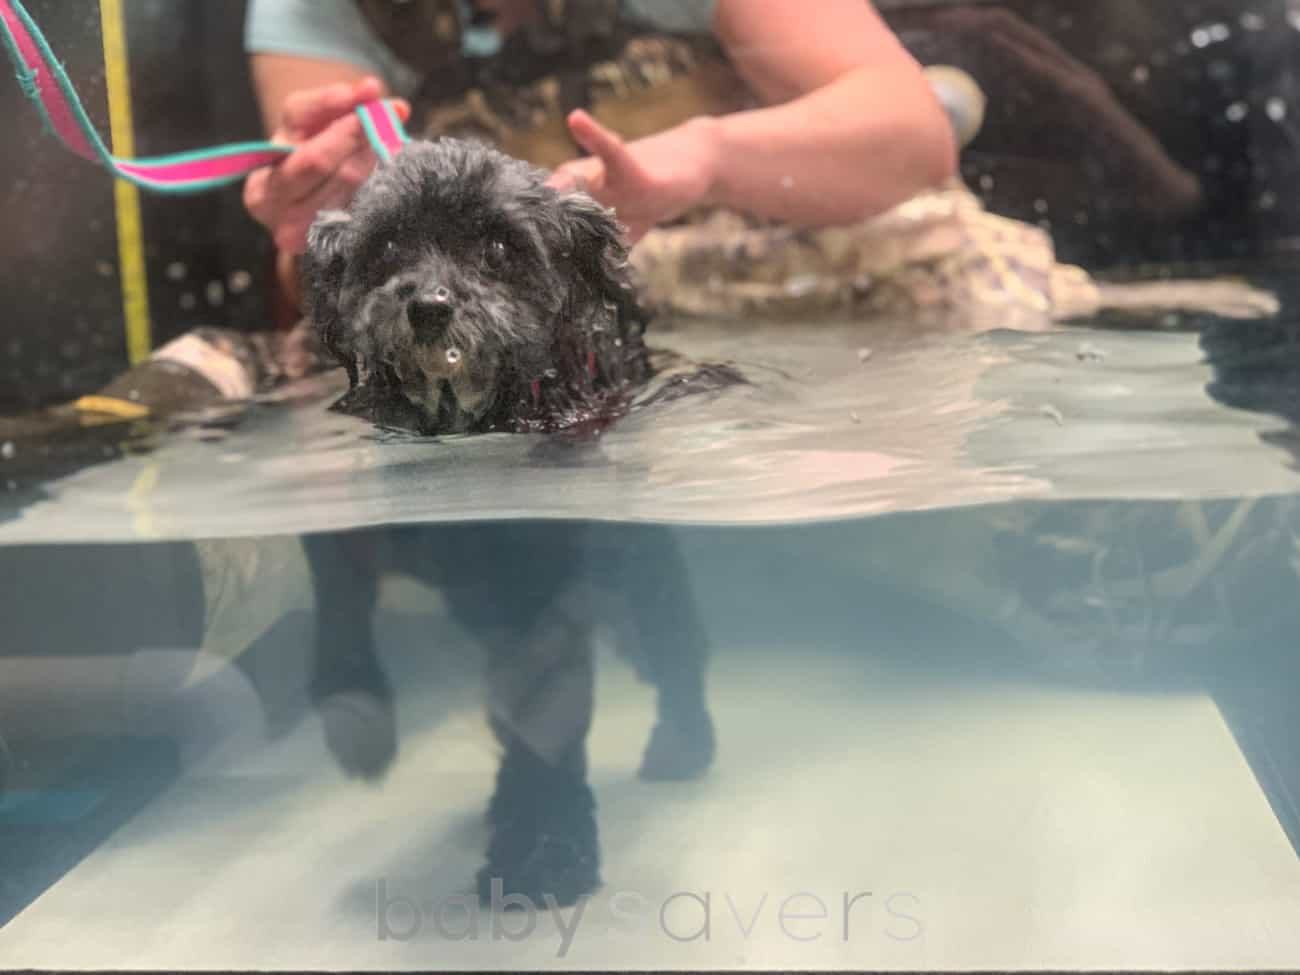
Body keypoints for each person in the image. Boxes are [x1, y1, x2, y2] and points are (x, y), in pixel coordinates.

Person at [240, 0, 961, 319]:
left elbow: (912, 134)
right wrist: (315, 226)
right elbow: (315, 292)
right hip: (503, 312)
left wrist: (703, 156)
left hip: (764, 262)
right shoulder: (318, 9)